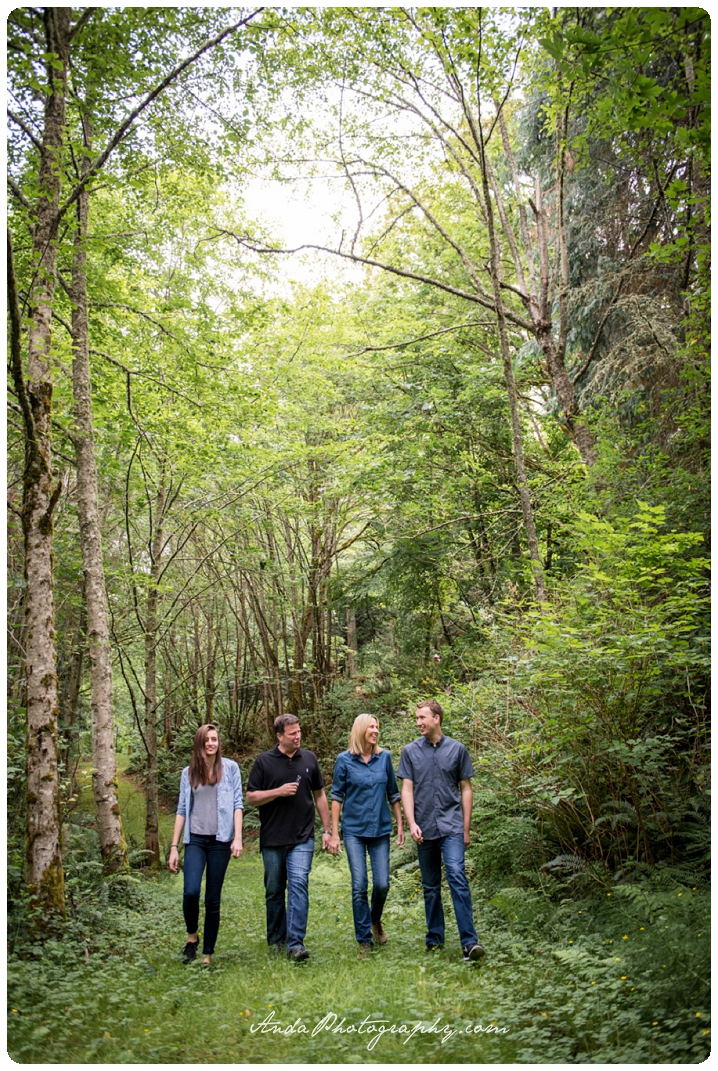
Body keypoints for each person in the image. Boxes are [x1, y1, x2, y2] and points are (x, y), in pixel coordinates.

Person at [397, 699, 485, 961]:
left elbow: (466, 788)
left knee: (457, 876)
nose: (418, 722)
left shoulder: (457, 750)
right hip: (423, 827)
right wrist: (411, 822)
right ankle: (434, 939)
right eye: (417, 718)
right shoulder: (410, 751)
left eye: (422, 717)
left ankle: (469, 942)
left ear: (437, 718)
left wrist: (465, 828)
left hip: (452, 827)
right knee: (431, 886)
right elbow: (407, 790)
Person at [246, 714, 331, 961]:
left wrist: (327, 830)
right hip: (273, 837)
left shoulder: (309, 759)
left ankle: (296, 944)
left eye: (299, 732)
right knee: (274, 889)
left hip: (303, 836)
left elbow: (320, 795)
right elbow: (251, 797)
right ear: (279, 736)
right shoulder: (264, 762)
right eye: (292, 733)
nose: (297, 736)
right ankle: (276, 940)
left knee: (298, 884)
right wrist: (278, 792)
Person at [329, 714, 405, 953]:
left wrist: (400, 825)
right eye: (371, 726)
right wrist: (333, 833)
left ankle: (375, 919)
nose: (375, 731)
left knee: (382, 884)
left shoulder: (385, 758)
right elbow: (336, 796)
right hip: (353, 830)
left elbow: (393, 793)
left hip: (381, 829)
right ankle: (364, 939)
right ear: (360, 729)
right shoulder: (344, 760)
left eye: (377, 727)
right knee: (359, 884)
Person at [168, 723, 243, 966]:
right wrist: (174, 847)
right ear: (199, 743)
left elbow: (238, 804)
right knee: (190, 892)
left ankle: (207, 953)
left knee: (212, 897)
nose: (211, 743)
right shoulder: (188, 773)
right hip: (195, 840)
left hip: (221, 840)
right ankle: (192, 937)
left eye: (214, 739)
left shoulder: (231, 768)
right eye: (206, 740)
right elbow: (181, 809)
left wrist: (238, 838)